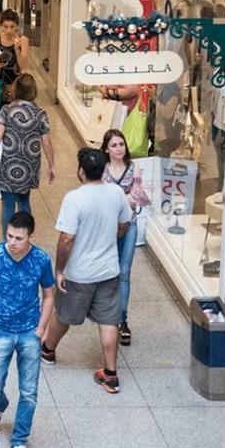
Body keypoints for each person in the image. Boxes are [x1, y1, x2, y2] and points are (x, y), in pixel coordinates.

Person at [40, 148, 133, 393]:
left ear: (81, 171)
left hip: (80, 272)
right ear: (104, 170)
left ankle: (48, 351)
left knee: (63, 314)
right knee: (109, 320)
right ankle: (111, 374)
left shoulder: (75, 198)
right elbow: (125, 222)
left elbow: (67, 238)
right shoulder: (115, 193)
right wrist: (112, 237)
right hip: (108, 270)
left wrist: (60, 270)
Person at [0, 211, 56, 448]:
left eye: (19, 238)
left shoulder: (41, 259)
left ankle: (19, 440)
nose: (12, 242)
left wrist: (42, 327)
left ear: (30, 236)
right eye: (9, 236)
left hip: (29, 332)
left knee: (29, 392)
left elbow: (49, 295)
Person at [101, 128, 150, 346]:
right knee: (107, 272)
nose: (119, 148)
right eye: (114, 145)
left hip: (129, 226)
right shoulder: (102, 170)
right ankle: (106, 317)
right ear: (106, 149)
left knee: (124, 272)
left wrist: (117, 197)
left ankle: (122, 320)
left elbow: (139, 196)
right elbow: (103, 198)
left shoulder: (134, 167)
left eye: (121, 144)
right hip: (107, 229)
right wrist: (125, 197)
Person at [0, 74, 56, 233]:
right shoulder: (40, 113)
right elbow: (46, 142)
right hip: (29, 164)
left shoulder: (6, 110)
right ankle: (25, 236)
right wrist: (51, 165)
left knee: (7, 202)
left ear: (16, 90)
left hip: (8, 163)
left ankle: (7, 239)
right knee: (24, 199)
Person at [0, 9, 30, 121]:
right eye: (5, 26)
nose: (8, 30)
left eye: (12, 27)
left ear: (17, 26)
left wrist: (17, 50)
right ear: (1, 26)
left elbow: (22, 66)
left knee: (15, 116)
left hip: (16, 83)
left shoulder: (23, 41)